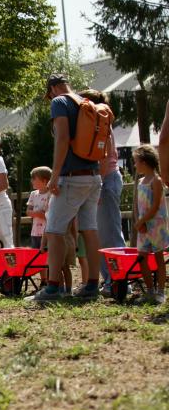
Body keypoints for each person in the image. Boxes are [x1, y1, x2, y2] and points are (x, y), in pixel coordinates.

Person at [29, 73, 102, 302]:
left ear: (52, 89)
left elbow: (62, 138)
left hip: (71, 177)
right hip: (93, 176)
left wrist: (55, 174)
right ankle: (92, 285)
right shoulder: (86, 102)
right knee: (89, 230)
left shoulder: (59, 102)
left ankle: (53, 288)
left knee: (53, 231)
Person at [79, 89, 126, 295]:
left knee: (110, 234)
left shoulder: (101, 125)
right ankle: (110, 279)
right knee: (101, 234)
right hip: (103, 181)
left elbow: (105, 161)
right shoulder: (96, 125)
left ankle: (119, 280)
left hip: (105, 181)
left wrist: (96, 188)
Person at [133, 145, 169, 304]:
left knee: (159, 257)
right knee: (141, 258)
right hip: (144, 225)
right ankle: (149, 291)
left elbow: (155, 207)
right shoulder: (141, 181)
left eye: (136, 162)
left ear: (145, 162)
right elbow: (138, 205)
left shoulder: (156, 181)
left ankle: (160, 292)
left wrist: (142, 221)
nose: (135, 165)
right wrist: (140, 221)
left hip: (156, 225)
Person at [26, 167, 52, 249]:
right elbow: (28, 212)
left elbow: (48, 216)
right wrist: (39, 213)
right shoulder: (33, 194)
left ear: (44, 181)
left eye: (34, 179)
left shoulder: (51, 195)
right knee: (35, 255)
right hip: (34, 232)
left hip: (47, 233)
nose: (31, 181)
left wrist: (36, 213)